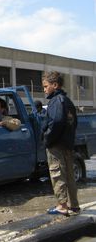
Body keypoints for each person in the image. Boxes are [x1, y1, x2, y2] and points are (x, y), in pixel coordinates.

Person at [42, 71, 79, 216]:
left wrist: (47, 138)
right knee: (69, 174)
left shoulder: (56, 101)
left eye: (46, 86)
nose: (44, 89)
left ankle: (62, 205)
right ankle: (74, 205)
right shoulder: (68, 101)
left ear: (55, 85)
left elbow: (56, 122)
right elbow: (73, 123)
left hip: (56, 144)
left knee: (57, 173)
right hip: (67, 143)